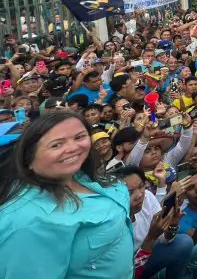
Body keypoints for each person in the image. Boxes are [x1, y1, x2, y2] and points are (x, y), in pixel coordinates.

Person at [0, 110, 134, 278]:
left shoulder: (80, 175)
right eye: (56, 144)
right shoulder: (25, 223)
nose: (73, 148)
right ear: (29, 160)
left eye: (79, 137)